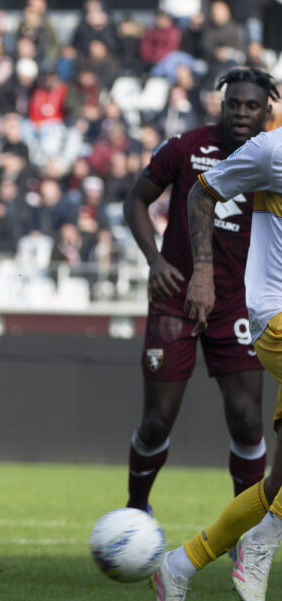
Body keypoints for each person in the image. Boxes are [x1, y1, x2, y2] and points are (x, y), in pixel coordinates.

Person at [151, 73, 282, 601]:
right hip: (273, 317)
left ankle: (179, 567)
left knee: (278, 485)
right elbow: (203, 194)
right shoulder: (273, 152)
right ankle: (265, 539)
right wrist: (201, 270)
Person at [123, 69, 277, 515]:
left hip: (239, 303)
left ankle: (242, 532)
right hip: (176, 296)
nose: (242, 113)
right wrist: (155, 260)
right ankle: (137, 511)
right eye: (234, 104)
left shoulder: (272, 157)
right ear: (222, 105)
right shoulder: (187, 148)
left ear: (267, 109)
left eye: (251, 106)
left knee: (248, 420)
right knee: (155, 422)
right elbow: (136, 199)